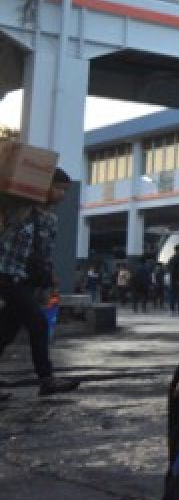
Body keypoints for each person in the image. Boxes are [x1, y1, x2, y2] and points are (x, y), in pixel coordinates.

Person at [0, 168, 80, 395]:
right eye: (58, 188)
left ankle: (47, 379)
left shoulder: (49, 219)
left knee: (5, 331)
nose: (62, 195)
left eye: (64, 190)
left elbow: (44, 255)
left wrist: (50, 277)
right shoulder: (20, 210)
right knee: (38, 323)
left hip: (24, 280)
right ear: (45, 186)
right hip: (7, 276)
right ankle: (46, 379)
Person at [167, 244, 179, 315]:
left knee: (173, 294)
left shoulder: (171, 258)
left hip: (172, 279)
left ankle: (172, 309)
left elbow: (169, 268)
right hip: (177, 279)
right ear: (178, 250)